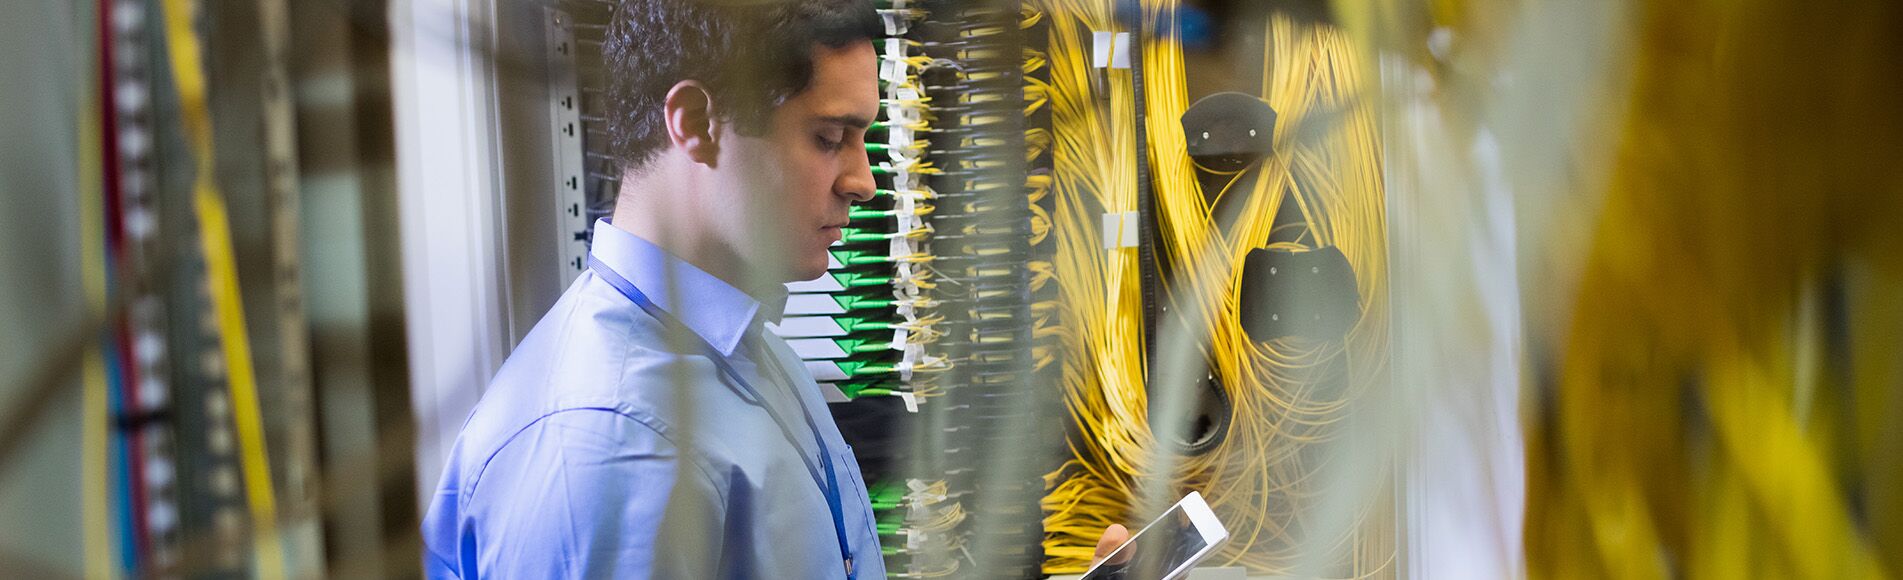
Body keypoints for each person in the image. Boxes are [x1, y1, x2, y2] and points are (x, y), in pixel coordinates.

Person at [420, 0, 1126, 577]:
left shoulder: (742, 351)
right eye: (828, 138)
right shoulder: (609, 439)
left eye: (862, 139)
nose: (863, 180)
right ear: (695, 125)